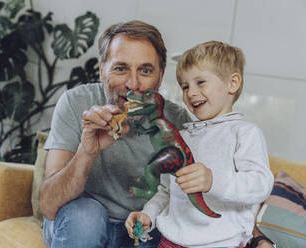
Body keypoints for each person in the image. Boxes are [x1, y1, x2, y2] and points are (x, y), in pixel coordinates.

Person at [39, 20, 192, 248]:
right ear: (102, 71)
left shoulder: (177, 122)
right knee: (86, 216)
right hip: (80, 224)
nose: (133, 84)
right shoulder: (76, 102)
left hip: (142, 231)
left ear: (160, 77)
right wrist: (87, 152)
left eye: (146, 70)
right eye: (121, 69)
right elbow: (49, 205)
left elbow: (203, 193)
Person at [125, 41, 275, 248]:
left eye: (200, 82)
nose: (190, 93)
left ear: (232, 84)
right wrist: (147, 214)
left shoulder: (245, 133)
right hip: (171, 241)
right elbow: (166, 191)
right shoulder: (182, 136)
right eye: (185, 86)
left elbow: (260, 185)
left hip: (221, 242)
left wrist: (213, 181)